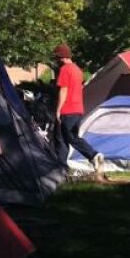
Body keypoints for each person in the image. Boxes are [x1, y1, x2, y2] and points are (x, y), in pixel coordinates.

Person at [52, 43, 104, 174]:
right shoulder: (77, 70)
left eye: (56, 58)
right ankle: (61, 168)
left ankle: (93, 155)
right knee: (66, 138)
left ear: (61, 57)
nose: (56, 61)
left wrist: (58, 109)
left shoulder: (65, 69)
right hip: (78, 110)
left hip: (67, 110)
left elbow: (63, 90)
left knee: (65, 139)